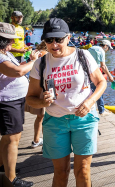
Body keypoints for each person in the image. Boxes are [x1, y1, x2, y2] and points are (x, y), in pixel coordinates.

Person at [26, 18, 107, 187]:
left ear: (68, 38)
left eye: (58, 39)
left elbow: (101, 82)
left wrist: (90, 102)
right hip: (55, 122)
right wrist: (42, 102)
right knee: (61, 173)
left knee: (83, 171)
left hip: (84, 121)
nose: (54, 44)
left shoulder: (83, 55)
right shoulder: (40, 63)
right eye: (49, 40)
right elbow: (30, 98)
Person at [0, 22, 41, 187]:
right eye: (10, 40)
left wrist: (29, 61)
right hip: (5, 102)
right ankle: (11, 179)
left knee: (9, 136)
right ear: (1, 40)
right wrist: (36, 61)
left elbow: (17, 68)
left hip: (12, 101)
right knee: (12, 139)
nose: (12, 43)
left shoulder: (2, 54)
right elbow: (18, 72)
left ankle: (1, 167)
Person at [25, 41, 49, 150]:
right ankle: (45, 145)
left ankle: (36, 140)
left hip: (35, 88)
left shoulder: (35, 52)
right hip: (44, 89)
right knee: (46, 118)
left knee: (40, 117)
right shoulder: (45, 55)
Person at [88, 40, 115, 117]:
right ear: (105, 46)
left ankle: (90, 109)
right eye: (108, 48)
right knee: (99, 90)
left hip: (86, 72)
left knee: (89, 91)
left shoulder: (91, 48)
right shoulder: (101, 51)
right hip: (94, 72)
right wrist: (110, 76)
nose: (108, 50)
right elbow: (103, 66)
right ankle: (101, 111)